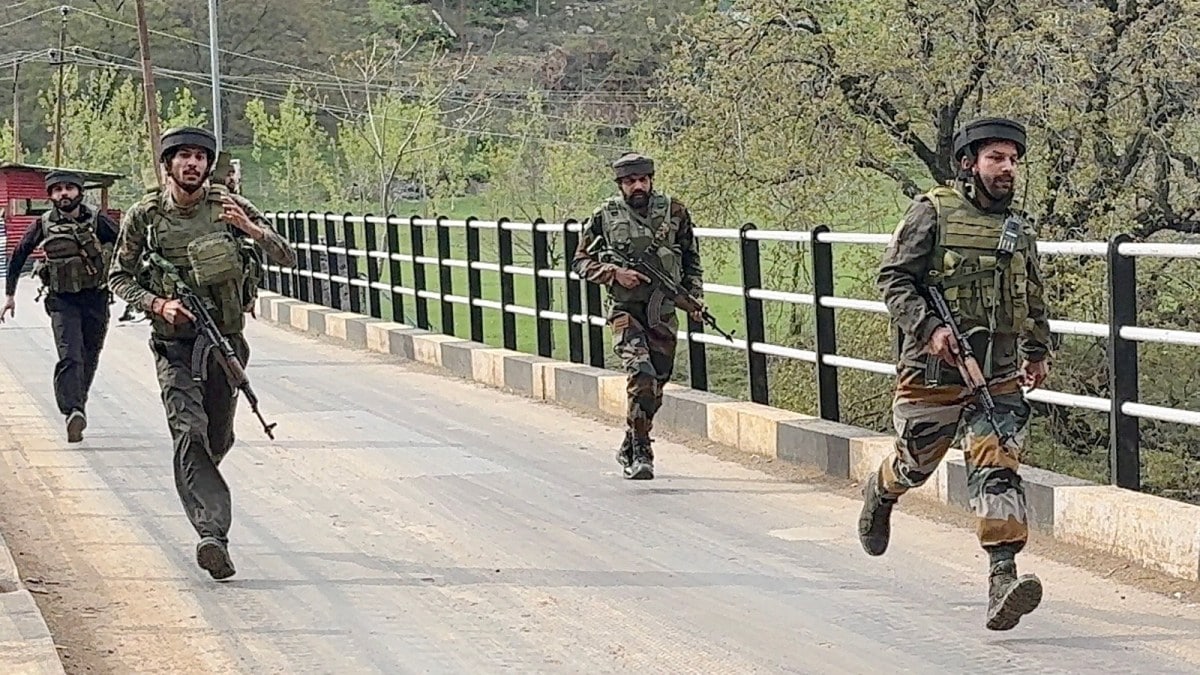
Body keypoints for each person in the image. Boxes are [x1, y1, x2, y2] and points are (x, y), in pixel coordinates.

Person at [859, 117, 1053, 631]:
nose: (1007, 168)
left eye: (1013, 159)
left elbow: (1030, 295)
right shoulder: (932, 212)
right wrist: (930, 330)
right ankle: (881, 491)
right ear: (969, 164)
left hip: (1000, 374)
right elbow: (894, 279)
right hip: (935, 371)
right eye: (996, 158)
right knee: (916, 462)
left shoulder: (1019, 229)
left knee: (997, 465)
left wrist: (1038, 350)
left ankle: (1002, 577)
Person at [108, 126, 297, 580]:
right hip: (175, 346)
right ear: (168, 164)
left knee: (217, 438)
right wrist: (158, 304)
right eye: (183, 156)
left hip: (226, 342)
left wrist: (249, 229)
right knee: (189, 432)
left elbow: (287, 257)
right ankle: (213, 535)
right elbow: (118, 276)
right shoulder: (145, 216)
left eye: (200, 157)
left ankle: (198, 484)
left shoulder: (227, 207)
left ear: (209, 166)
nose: (192, 164)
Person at [571, 152, 706, 480]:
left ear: (651, 180)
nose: (638, 187)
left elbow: (691, 259)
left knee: (656, 386)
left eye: (643, 180)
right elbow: (580, 261)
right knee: (641, 374)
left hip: (662, 313)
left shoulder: (674, 212)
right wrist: (613, 273)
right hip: (625, 312)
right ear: (620, 185)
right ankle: (643, 450)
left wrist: (695, 299)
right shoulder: (604, 216)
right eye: (630, 182)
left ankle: (630, 440)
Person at [0, 170, 120, 442]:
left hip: (96, 298)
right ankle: (72, 410)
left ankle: (79, 404)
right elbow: (18, 255)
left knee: (90, 355)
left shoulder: (97, 220)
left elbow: (127, 246)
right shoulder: (43, 223)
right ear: (50, 195)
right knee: (70, 355)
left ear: (79, 191)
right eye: (57, 190)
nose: (63, 193)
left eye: (68, 188)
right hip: (61, 301)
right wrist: (10, 295)